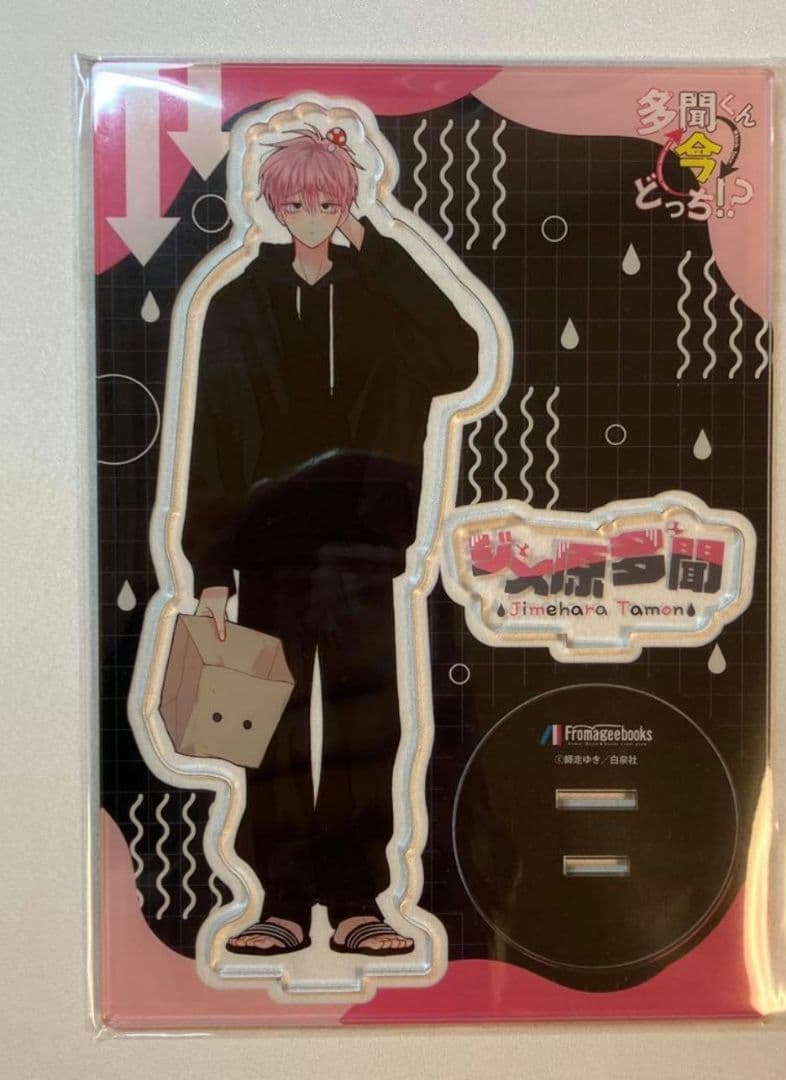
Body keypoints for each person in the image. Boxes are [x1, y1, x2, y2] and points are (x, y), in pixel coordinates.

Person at [182, 125, 478, 956]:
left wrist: (374, 245)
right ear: (272, 205)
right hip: (268, 551)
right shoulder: (238, 301)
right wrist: (211, 569)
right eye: (297, 202)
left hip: (365, 548)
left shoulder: (379, 293)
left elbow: (459, 357)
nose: (311, 215)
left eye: (326, 201)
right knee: (267, 726)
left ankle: (355, 903)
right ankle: (279, 902)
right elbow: (211, 436)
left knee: (364, 724)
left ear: (346, 203)